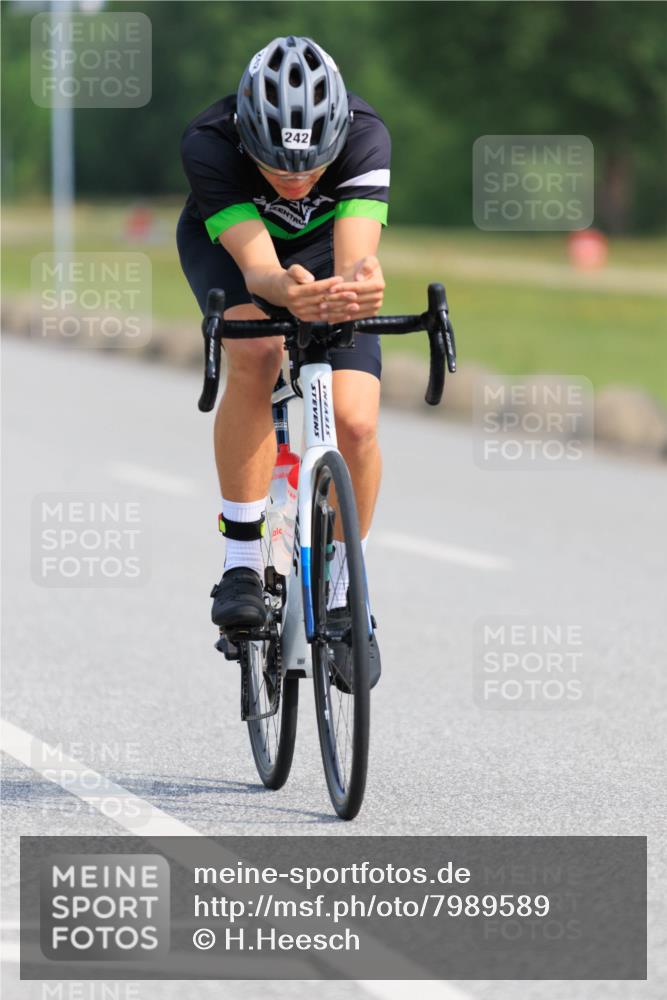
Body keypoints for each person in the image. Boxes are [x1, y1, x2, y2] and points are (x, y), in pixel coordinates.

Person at [177, 35, 389, 687]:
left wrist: (358, 285)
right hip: (242, 258)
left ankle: (343, 595)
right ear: (247, 137)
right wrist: (281, 291)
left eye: (310, 167)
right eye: (277, 167)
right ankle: (241, 557)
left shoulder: (365, 135)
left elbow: (355, 259)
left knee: (354, 423)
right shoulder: (209, 141)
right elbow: (261, 270)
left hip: (324, 257)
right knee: (259, 350)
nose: (295, 182)